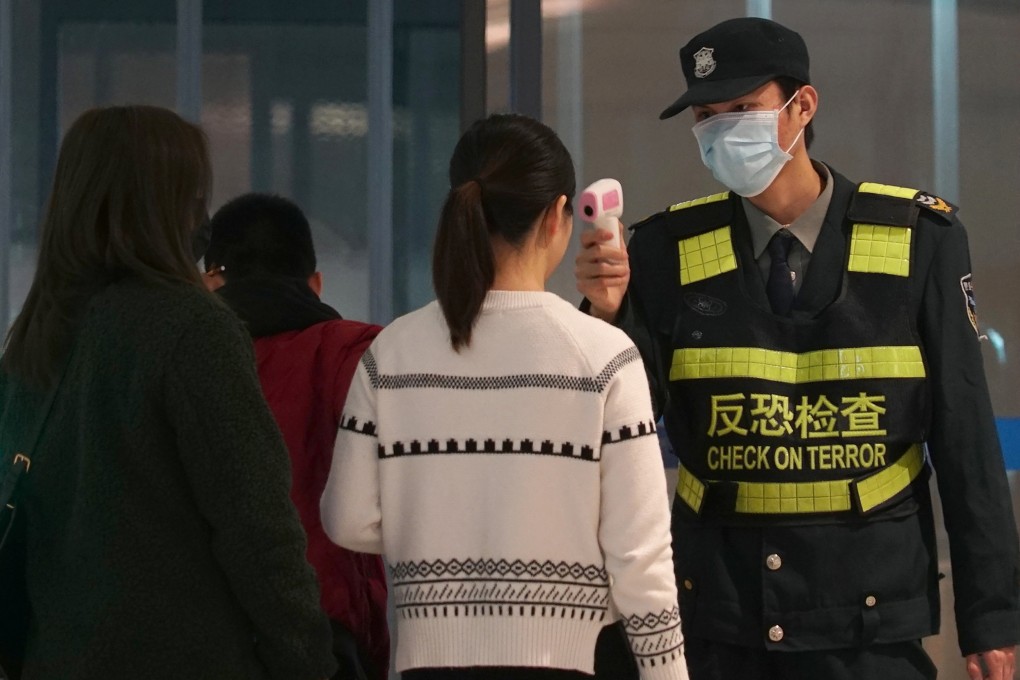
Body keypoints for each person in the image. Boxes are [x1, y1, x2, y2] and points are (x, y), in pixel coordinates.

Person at [575, 17, 1020, 680]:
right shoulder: (666, 251)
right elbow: (627, 426)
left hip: (867, 621)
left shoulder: (919, 240)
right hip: (720, 617)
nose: (721, 131)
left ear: (802, 107)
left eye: (742, 110)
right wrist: (606, 315)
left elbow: (965, 439)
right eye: (706, 115)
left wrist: (991, 620)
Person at [320, 112, 688, 680]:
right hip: (567, 662)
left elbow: (345, 519)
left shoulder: (392, 353)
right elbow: (640, 557)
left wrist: (440, 522)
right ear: (559, 216)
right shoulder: (605, 356)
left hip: (425, 664)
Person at [0, 106, 336, 680]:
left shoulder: (34, 336)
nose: (201, 218)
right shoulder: (191, 328)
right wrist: (311, 660)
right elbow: (258, 529)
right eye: (191, 195)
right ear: (161, 206)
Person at [203, 192, 389, 680]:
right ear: (316, 283)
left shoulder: (179, 362)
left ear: (209, 282)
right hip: (331, 638)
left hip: (207, 637)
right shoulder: (357, 353)